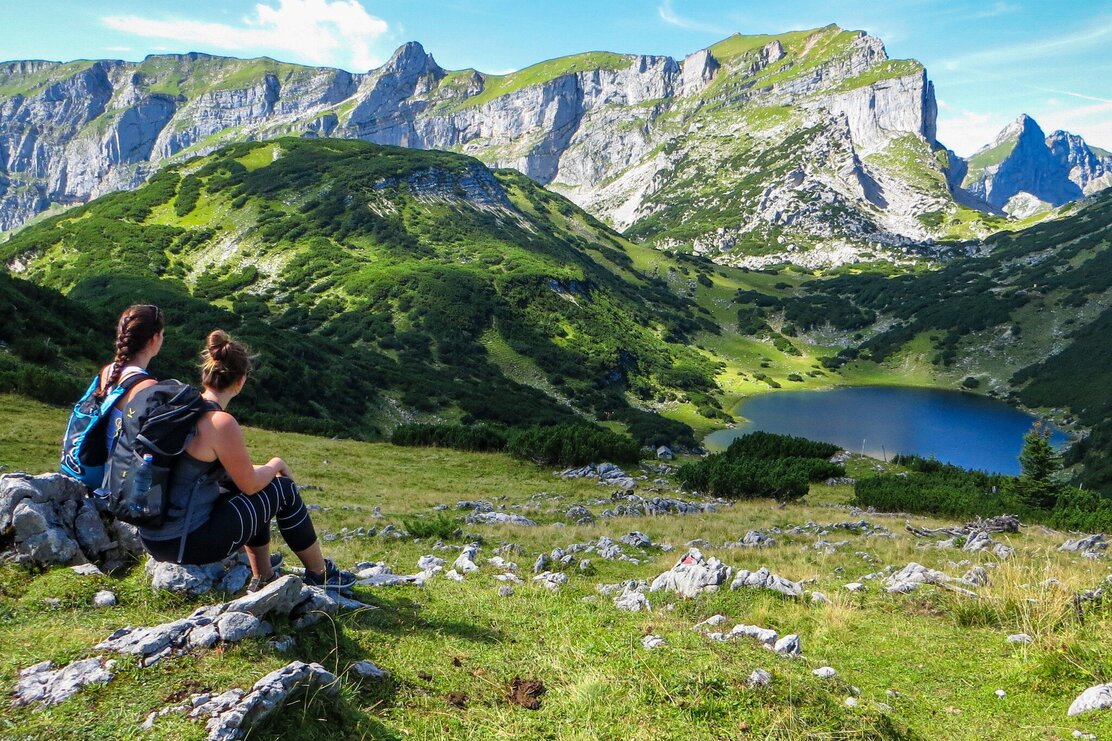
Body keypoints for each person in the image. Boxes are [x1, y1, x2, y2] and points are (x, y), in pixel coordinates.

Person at [138, 329, 354, 591]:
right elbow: (250, 484)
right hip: (186, 543)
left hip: (153, 537)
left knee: (254, 487)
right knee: (283, 490)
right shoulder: (219, 422)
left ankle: (263, 576)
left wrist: (263, 472)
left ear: (205, 374)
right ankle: (321, 574)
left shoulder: (182, 410)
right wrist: (276, 464)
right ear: (240, 381)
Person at [99, 305, 164, 455]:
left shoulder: (108, 370)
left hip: (100, 460)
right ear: (154, 339)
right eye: (162, 334)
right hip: (117, 466)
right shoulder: (147, 386)